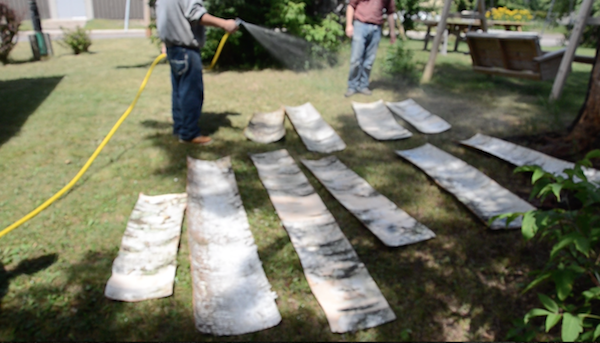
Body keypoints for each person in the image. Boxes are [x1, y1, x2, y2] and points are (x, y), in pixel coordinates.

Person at [156, 0, 238, 145]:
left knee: (179, 92)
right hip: (186, 49)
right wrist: (225, 24)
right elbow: (196, 15)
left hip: (173, 48)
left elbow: (164, 18)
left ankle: (180, 128)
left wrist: (165, 43)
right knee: (191, 92)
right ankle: (189, 134)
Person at [344, 0, 396, 97]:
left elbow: (390, 12)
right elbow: (351, 6)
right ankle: (352, 86)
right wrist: (349, 25)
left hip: (376, 28)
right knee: (356, 59)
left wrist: (392, 31)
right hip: (360, 25)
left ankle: (363, 86)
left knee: (369, 61)